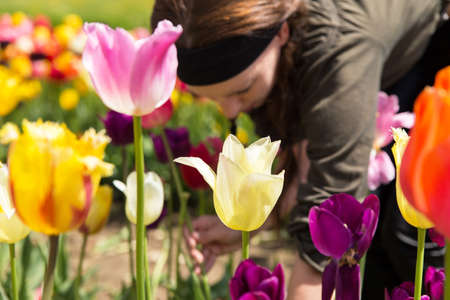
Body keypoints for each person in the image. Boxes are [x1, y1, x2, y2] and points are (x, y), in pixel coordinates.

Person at [150, 0, 450, 299]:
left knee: (410, 231)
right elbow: (305, 152)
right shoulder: (256, 46)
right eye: (213, 98)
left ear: (281, 33)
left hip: (433, 37)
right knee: (376, 249)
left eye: (242, 90)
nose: (230, 111)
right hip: (372, 49)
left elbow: (332, 207)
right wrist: (254, 215)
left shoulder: (337, 47)